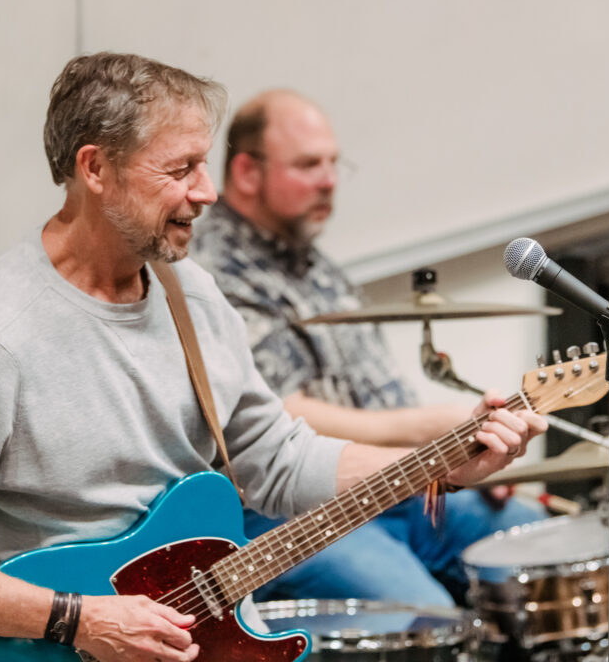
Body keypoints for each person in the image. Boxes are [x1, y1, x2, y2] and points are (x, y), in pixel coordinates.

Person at [0, 53, 545, 662]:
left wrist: (436, 466)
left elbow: (275, 460)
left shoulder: (193, 297)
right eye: (180, 170)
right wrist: (82, 619)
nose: (207, 193)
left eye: (203, 165)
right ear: (95, 168)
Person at [191, 89, 546, 608]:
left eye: (334, 164)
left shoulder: (314, 262)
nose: (329, 180)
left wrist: (456, 451)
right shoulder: (213, 272)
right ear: (247, 173)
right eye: (309, 165)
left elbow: (381, 396)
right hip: (300, 516)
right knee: (427, 621)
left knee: (537, 547)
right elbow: (287, 421)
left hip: (396, 490)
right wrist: (437, 432)